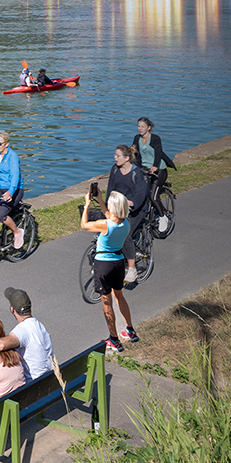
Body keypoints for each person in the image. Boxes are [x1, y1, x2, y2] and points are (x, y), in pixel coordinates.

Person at [81, 187, 137, 352]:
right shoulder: (125, 223)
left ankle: (114, 339)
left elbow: (84, 225)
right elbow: (110, 216)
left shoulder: (104, 225)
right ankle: (130, 330)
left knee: (107, 302)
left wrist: (86, 205)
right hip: (119, 262)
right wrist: (100, 200)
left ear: (114, 208)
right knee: (119, 296)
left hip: (103, 265)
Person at [105, 143, 154, 284]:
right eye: (115, 155)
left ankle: (132, 269)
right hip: (118, 206)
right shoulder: (115, 170)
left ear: (127, 158)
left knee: (125, 234)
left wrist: (131, 203)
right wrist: (108, 206)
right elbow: (111, 189)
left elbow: (140, 194)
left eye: (118, 156)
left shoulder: (136, 173)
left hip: (135, 209)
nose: (115, 158)